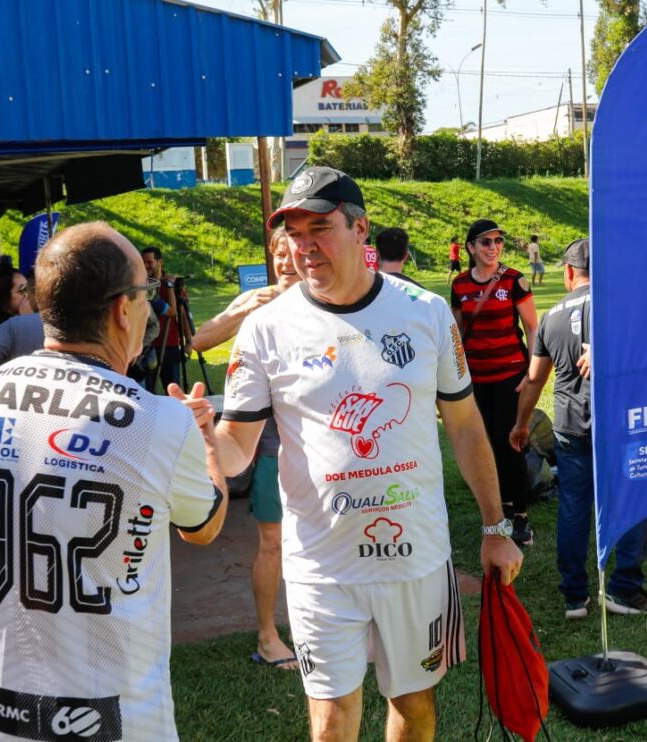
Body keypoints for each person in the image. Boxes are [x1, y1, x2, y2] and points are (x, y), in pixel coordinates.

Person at [213, 167, 523, 741]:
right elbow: (236, 450)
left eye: (320, 229)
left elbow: (465, 427)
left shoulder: (426, 312)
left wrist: (494, 526)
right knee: (331, 718)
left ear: (361, 230)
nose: (304, 246)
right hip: (321, 567)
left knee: (414, 706)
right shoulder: (266, 329)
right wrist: (207, 442)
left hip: (415, 559)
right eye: (294, 234)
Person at [0, 222, 229, 740]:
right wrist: (206, 445)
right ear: (122, 308)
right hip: (117, 718)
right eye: (146, 295)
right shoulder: (161, 422)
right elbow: (202, 528)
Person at [511, 238, 647, 618]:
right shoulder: (620, 306)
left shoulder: (550, 317)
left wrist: (521, 424)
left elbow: (532, 380)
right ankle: (624, 588)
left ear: (567, 273)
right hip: (619, 422)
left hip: (569, 426)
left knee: (574, 506)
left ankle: (575, 596)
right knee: (634, 498)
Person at [190, 227, 300, 669]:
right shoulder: (262, 300)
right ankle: (268, 636)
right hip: (272, 445)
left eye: (291, 254)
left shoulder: (329, 298)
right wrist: (243, 311)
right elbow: (200, 340)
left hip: (327, 446)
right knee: (272, 542)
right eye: (278, 255)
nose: (285, 263)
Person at [451, 219, 539, 546]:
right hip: (476, 379)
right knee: (483, 445)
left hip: (510, 376)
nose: (493, 248)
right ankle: (497, 509)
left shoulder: (515, 280)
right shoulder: (460, 285)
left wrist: (531, 373)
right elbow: (457, 335)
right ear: (471, 247)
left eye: (498, 241)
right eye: (485, 242)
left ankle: (520, 517)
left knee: (509, 443)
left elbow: (533, 328)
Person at [141, 246, 190, 394]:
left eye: (149, 262)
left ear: (159, 261)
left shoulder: (172, 284)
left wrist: (189, 340)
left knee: (173, 390)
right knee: (147, 392)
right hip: (146, 346)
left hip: (170, 344)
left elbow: (181, 313)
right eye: (143, 262)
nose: (145, 266)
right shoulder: (141, 285)